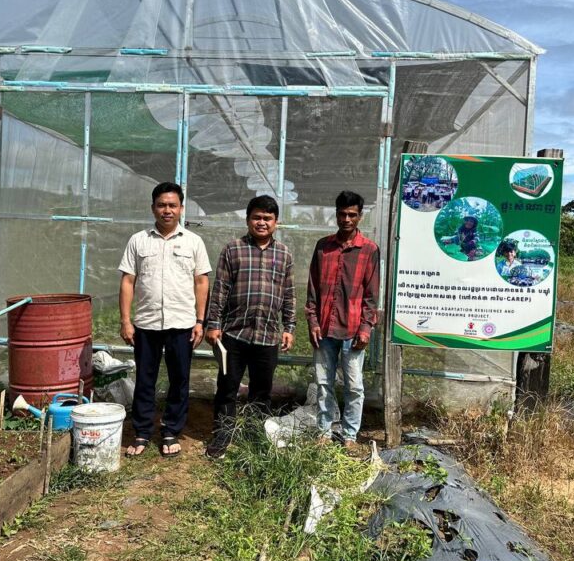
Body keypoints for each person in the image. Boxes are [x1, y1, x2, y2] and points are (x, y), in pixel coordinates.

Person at [118, 182, 211, 458]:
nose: (167, 210)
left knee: (179, 379)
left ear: (181, 209)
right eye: (161, 205)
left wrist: (200, 321)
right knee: (144, 379)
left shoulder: (193, 242)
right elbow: (128, 281)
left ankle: (171, 430)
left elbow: (201, 281)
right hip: (146, 324)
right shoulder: (138, 241)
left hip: (182, 324)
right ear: (153, 208)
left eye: (172, 205)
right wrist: (126, 321)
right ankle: (142, 431)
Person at [205, 195, 296, 458]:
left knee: (261, 391)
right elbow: (220, 289)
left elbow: (289, 294)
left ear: (276, 222)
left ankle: (255, 435)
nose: (261, 222)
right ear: (248, 220)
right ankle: (223, 434)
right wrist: (213, 324)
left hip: (268, 335)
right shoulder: (233, 250)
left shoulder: (284, 254)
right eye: (257, 217)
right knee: (227, 387)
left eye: (267, 218)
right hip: (234, 334)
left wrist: (289, 327)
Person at [306, 191, 380, 448]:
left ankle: (349, 435)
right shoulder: (323, 247)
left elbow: (371, 294)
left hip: (353, 329)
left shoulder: (369, 250)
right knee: (323, 383)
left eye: (352, 214)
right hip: (324, 328)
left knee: (354, 386)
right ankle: (324, 431)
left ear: (360, 216)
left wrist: (366, 327)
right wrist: (313, 322)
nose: (346, 219)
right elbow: (312, 289)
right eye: (342, 214)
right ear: (336, 214)